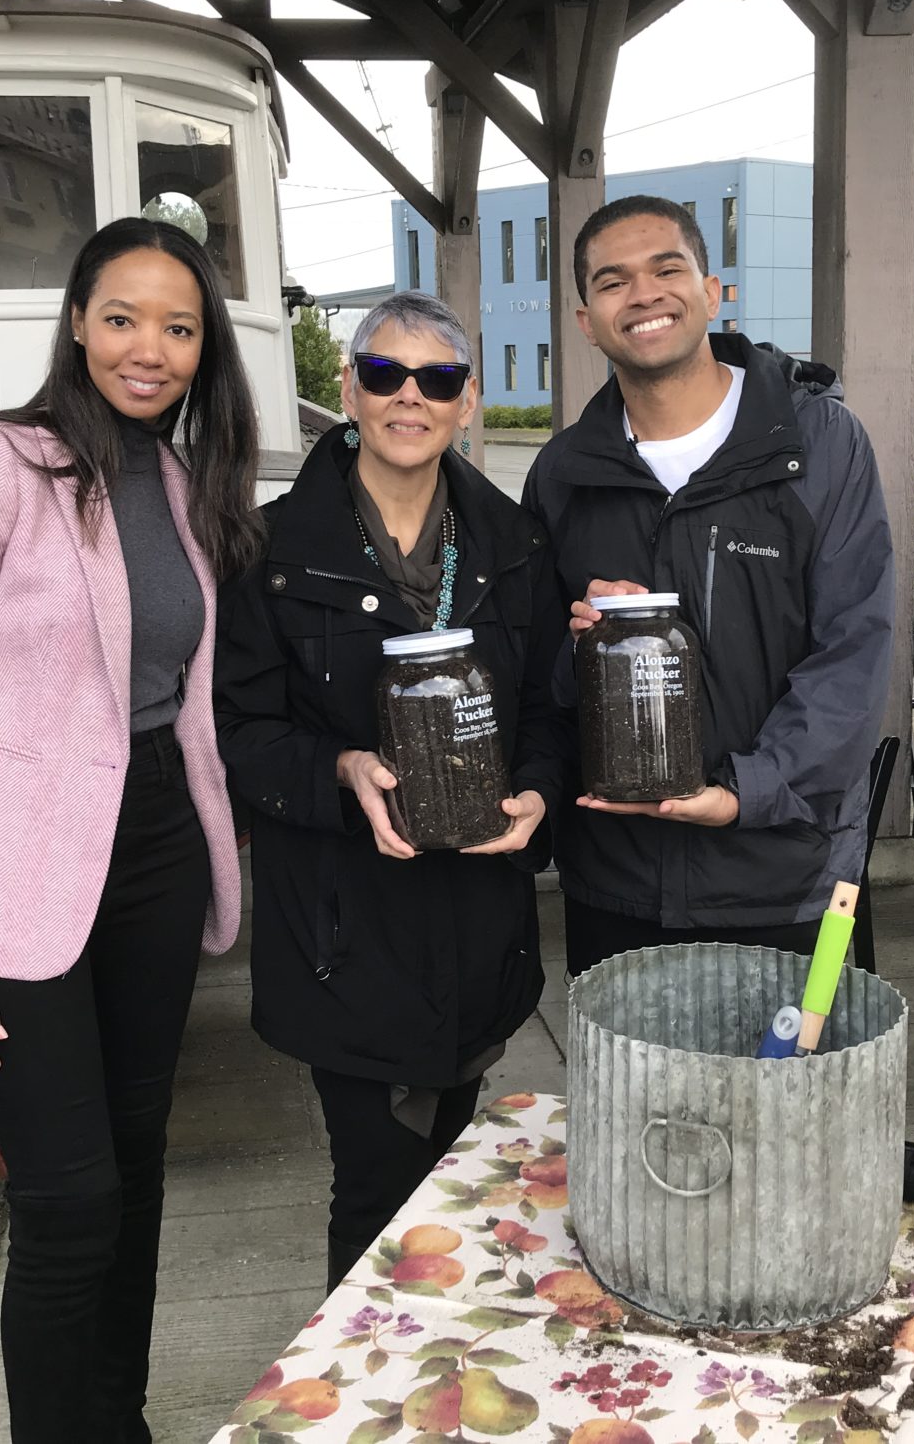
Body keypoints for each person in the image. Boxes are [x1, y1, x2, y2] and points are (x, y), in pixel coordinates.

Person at [0, 217, 257, 1443]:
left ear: (205, 350)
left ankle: (116, 1421)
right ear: (79, 323)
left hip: (150, 850)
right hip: (10, 877)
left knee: (134, 1175)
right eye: (124, 318)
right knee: (68, 1200)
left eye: (179, 327)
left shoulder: (188, 485)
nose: (150, 348)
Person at [215, 291, 569, 1289]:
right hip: (344, 931)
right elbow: (234, 730)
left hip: (478, 919)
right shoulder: (267, 551)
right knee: (375, 1190)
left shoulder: (513, 546)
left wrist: (537, 795)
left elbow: (548, 714)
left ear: (467, 403)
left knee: (456, 1177)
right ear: (348, 390)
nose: (408, 397)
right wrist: (338, 771)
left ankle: (438, 1384)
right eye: (384, 374)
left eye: (437, 379)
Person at [521, 194, 894, 976]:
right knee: (632, 1098)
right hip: (616, 880)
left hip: (786, 873)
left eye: (667, 268)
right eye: (613, 281)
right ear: (586, 319)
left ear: (712, 290)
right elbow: (539, 676)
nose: (645, 294)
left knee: (785, 1095)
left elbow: (854, 653)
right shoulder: (565, 471)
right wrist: (581, 645)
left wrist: (743, 793)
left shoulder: (816, 442)